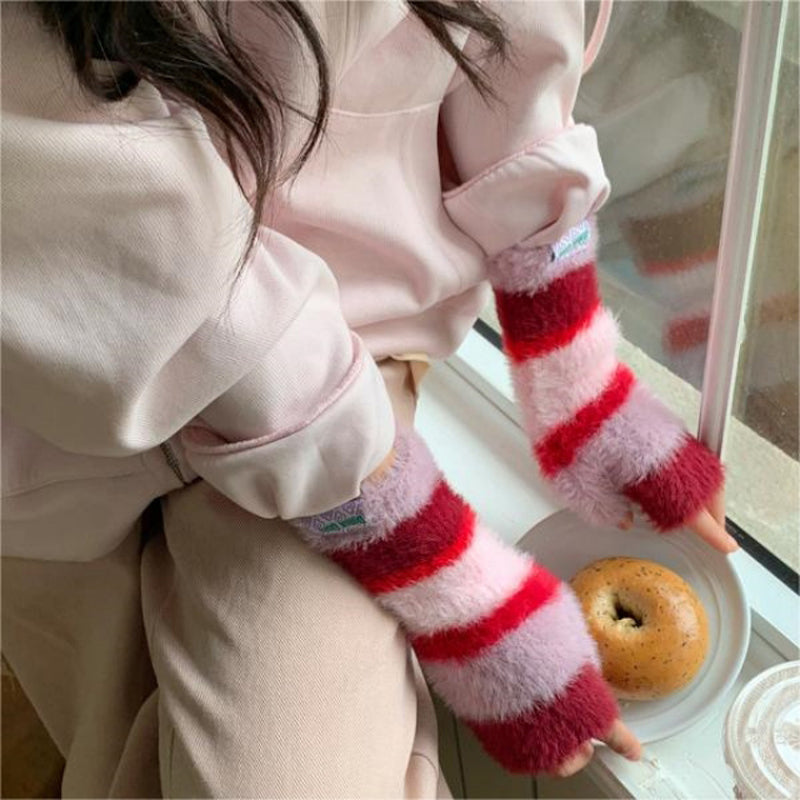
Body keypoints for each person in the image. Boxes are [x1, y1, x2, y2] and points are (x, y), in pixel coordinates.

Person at [2, 1, 735, 796]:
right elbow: (71, 198)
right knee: (105, 739)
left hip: (348, 360)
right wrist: (449, 581)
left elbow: (510, 41)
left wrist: (575, 372)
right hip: (52, 424)